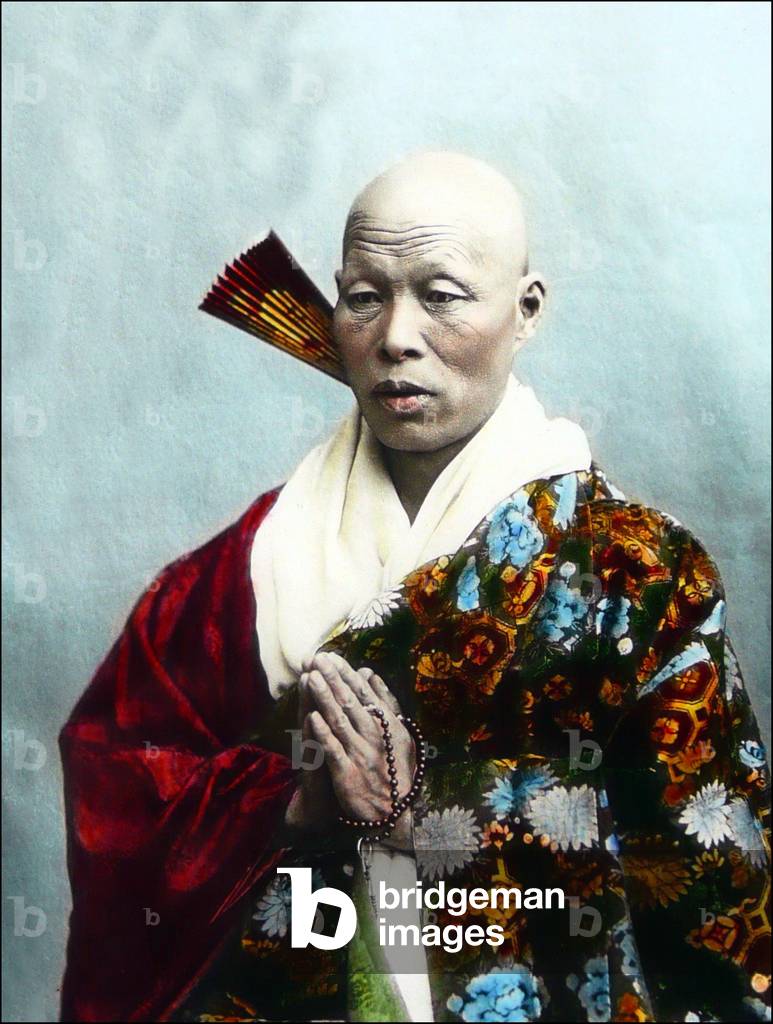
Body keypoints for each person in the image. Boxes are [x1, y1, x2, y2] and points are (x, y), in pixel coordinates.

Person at [59, 151, 771, 1023]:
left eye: (440, 294)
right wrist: (293, 804)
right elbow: (120, 790)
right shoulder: (237, 574)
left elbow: (710, 887)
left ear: (526, 309)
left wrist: (424, 813)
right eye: (364, 296)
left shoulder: (639, 576)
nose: (396, 335)